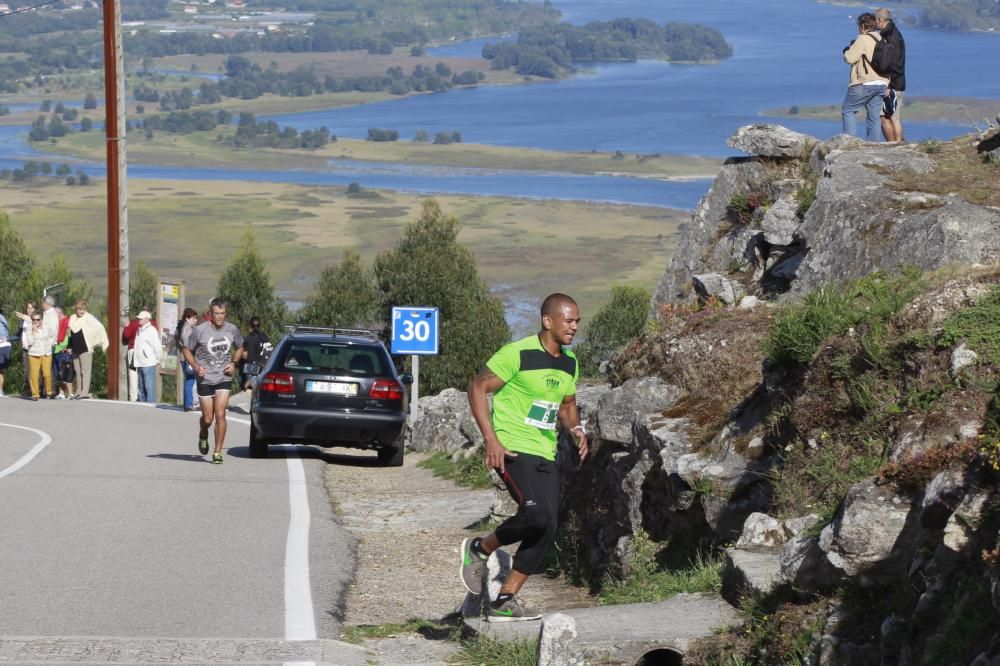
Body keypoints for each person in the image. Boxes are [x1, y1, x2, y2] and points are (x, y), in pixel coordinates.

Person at [460, 293, 589, 622]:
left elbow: (567, 405)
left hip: (546, 450)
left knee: (547, 526)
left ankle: (505, 600)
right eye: (569, 320)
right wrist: (491, 439)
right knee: (536, 515)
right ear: (548, 321)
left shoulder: (569, 362)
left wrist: (577, 431)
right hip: (512, 448)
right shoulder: (517, 354)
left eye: (577, 321)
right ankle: (481, 549)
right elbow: (477, 387)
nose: (575, 326)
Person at [180, 298, 244, 464]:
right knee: (208, 418)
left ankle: (217, 452)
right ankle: (203, 433)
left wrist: (234, 363)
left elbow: (240, 347)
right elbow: (186, 349)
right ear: (211, 313)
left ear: (226, 313)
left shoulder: (232, 329)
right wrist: (195, 366)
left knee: (220, 414)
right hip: (205, 378)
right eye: (216, 314)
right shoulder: (200, 330)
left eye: (222, 314)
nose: (220, 317)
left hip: (224, 376)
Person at [841, 13, 889, 141]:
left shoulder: (862, 39)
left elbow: (850, 58)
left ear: (862, 26)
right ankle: (873, 146)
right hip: (882, 83)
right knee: (874, 116)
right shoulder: (882, 39)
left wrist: (847, 50)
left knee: (848, 110)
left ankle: (849, 143)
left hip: (864, 82)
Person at [68, 300, 110, 399]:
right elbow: (70, 334)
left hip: (85, 348)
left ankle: (85, 392)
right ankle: (79, 391)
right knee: (77, 370)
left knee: (85, 371)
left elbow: (100, 327)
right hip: (75, 348)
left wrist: (93, 340)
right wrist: (69, 346)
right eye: (80, 309)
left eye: (83, 309)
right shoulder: (72, 318)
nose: (82, 311)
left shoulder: (88, 317)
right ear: (76, 309)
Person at [875, 7, 906, 142]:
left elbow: (892, 62)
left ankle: (894, 145)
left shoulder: (888, 37)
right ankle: (898, 144)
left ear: (880, 20)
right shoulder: (896, 33)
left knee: (886, 117)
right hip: (900, 81)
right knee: (894, 117)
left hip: (892, 83)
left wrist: (889, 84)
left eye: (876, 21)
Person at [122, 308, 157, 402]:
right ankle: (146, 399)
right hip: (148, 353)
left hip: (133, 350)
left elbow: (126, 335)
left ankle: (133, 397)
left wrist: (126, 326)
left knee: (133, 375)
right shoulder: (154, 324)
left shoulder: (134, 323)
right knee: (146, 378)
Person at [21, 310, 54, 401]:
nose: (36, 322)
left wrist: (51, 344)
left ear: (41, 320)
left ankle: (49, 392)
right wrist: (34, 331)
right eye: (33, 320)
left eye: (38, 319)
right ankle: (35, 394)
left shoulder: (47, 327)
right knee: (34, 375)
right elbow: (30, 342)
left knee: (47, 374)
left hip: (46, 353)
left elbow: (52, 336)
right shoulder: (29, 329)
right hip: (34, 354)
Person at [133, 310, 162, 403]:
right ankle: (142, 405)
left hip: (148, 363)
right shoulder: (139, 330)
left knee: (149, 387)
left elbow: (157, 346)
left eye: (141, 318)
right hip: (140, 362)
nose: (139, 320)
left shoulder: (152, 330)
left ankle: (150, 406)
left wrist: (157, 359)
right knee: (141, 387)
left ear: (146, 319)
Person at [175, 308, 200, 411]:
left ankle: (188, 403)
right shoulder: (188, 329)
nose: (196, 320)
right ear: (188, 318)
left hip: (183, 356)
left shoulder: (180, 327)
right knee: (190, 380)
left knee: (190, 379)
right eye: (194, 318)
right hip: (188, 357)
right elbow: (188, 344)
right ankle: (189, 404)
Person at [240, 316, 270, 390]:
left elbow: (244, 355)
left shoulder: (247, 339)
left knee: (248, 390)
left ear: (250, 325)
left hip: (249, 367)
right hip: (261, 367)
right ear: (260, 325)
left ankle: (250, 382)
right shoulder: (265, 338)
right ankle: (251, 381)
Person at [52, 307, 75, 399]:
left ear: (59, 313)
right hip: (56, 350)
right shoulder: (57, 323)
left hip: (64, 351)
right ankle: (61, 393)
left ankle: (70, 394)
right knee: (59, 373)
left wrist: (70, 347)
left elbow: (71, 336)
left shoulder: (67, 322)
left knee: (66, 373)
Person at [0, 302, 11, 397]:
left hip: (3, 346)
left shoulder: (1, 317)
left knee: (0, 370)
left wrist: (5, 336)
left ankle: (0, 391)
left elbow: (6, 327)